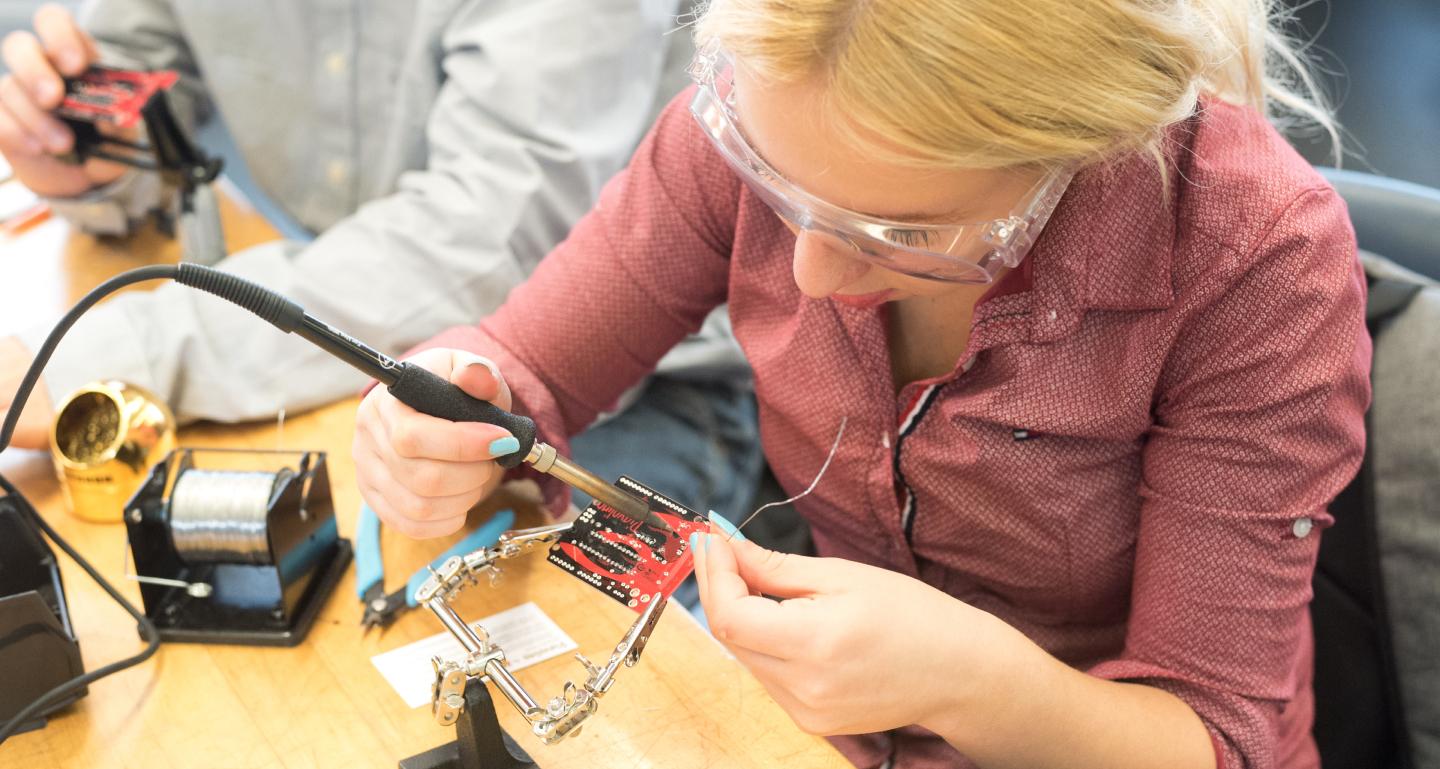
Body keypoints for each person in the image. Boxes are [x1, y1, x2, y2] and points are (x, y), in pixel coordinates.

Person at [349, 0, 1369, 766]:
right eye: (777, 191)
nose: (810, 275)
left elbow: (1214, 734)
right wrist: (444, 413)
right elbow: (523, 368)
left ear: (1077, 155)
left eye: (900, 232)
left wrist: (967, 683)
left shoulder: (1256, 258)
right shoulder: (763, 109)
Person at [0, 1, 762, 524]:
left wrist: (93, 360)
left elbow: (478, 247)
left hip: (635, 389)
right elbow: (147, 80)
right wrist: (90, 158)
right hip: (349, 322)